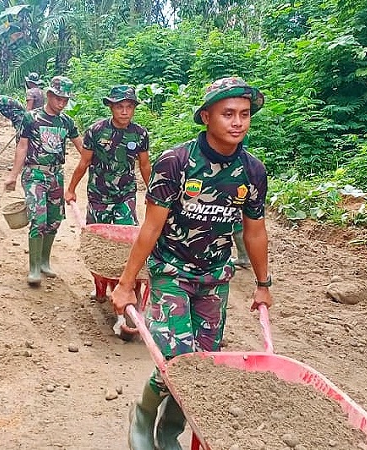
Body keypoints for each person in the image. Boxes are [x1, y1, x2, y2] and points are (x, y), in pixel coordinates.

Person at [110, 77, 274, 450]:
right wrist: (126, 282)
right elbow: (151, 228)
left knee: (204, 362)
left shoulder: (252, 171)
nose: (238, 122)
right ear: (206, 116)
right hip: (171, 270)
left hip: (215, 277)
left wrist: (263, 285)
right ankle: (143, 415)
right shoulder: (177, 162)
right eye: (228, 113)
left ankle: (170, 430)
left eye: (245, 114)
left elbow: (254, 233)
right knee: (176, 356)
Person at [4, 76, 83, 286]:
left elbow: (82, 147)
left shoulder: (66, 122)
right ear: (49, 95)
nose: (62, 103)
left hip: (56, 175)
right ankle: (34, 267)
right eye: (58, 98)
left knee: (54, 220)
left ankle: (45, 261)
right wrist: (13, 175)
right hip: (35, 174)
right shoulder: (31, 118)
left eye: (65, 100)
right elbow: (22, 146)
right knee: (38, 219)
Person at [65, 85, 151, 225]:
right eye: (119, 107)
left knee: (126, 234)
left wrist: (151, 191)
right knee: (96, 235)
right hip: (99, 195)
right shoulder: (96, 131)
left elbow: (144, 165)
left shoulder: (140, 134)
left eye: (129, 107)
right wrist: (71, 190)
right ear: (111, 107)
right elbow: (84, 162)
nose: (125, 112)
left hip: (126, 194)